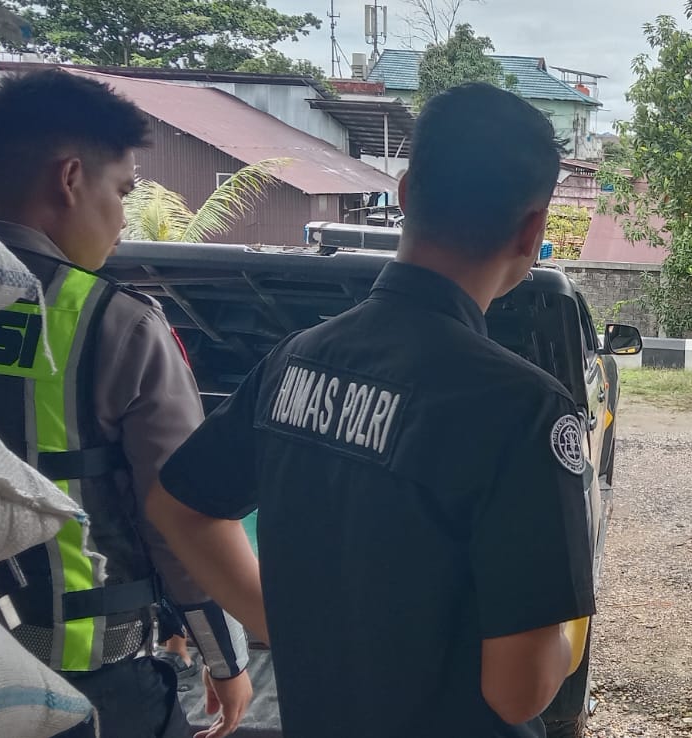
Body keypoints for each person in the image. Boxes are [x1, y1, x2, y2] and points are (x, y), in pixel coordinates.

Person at [144, 81, 594, 737]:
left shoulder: (294, 360)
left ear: (407, 195)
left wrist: (283, 620)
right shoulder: (521, 410)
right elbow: (517, 693)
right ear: (531, 231)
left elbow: (179, 508)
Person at [0, 69, 252, 738]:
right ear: (70, 178)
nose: (120, 218)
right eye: (121, 191)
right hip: (98, 687)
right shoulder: (117, 323)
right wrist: (223, 656)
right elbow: (178, 517)